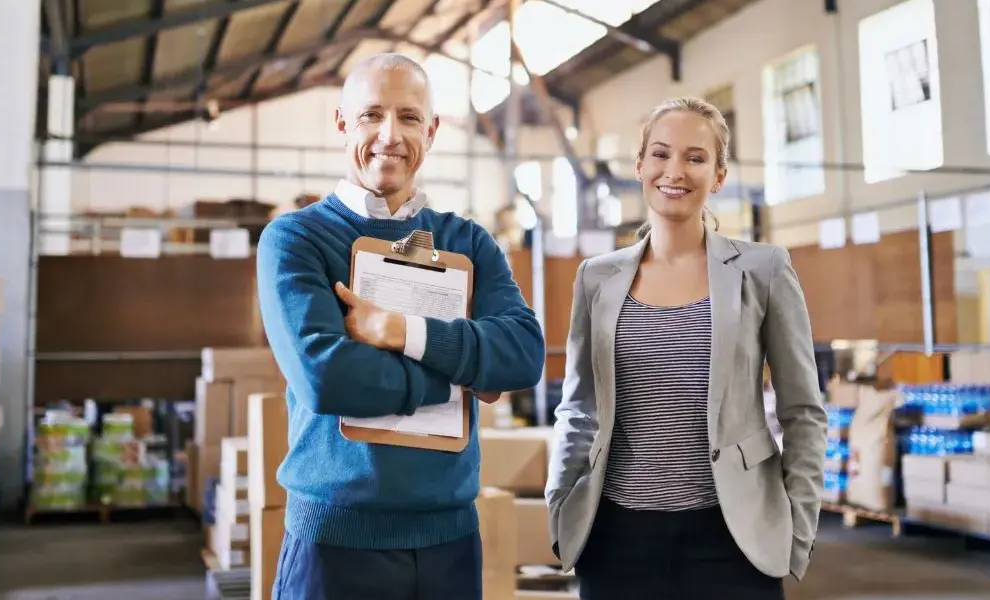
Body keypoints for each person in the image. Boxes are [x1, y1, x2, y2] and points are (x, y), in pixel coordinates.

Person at [255, 52, 546, 600]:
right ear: (342, 123)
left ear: (432, 131)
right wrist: (458, 376)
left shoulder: (467, 242)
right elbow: (327, 379)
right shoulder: (296, 241)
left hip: (450, 541)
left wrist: (401, 332)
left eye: (409, 118)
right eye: (371, 115)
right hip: (335, 543)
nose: (390, 136)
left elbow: (524, 354)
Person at [545, 97, 828, 599]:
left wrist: (797, 528)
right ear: (639, 166)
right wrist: (560, 503)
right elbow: (579, 406)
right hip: (616, 540)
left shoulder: (763, 271)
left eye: (695, 158)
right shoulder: (597, 278)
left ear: (718, 175)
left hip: (731, 538)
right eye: (660, 154)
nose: (675, 171)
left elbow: (804, 410)